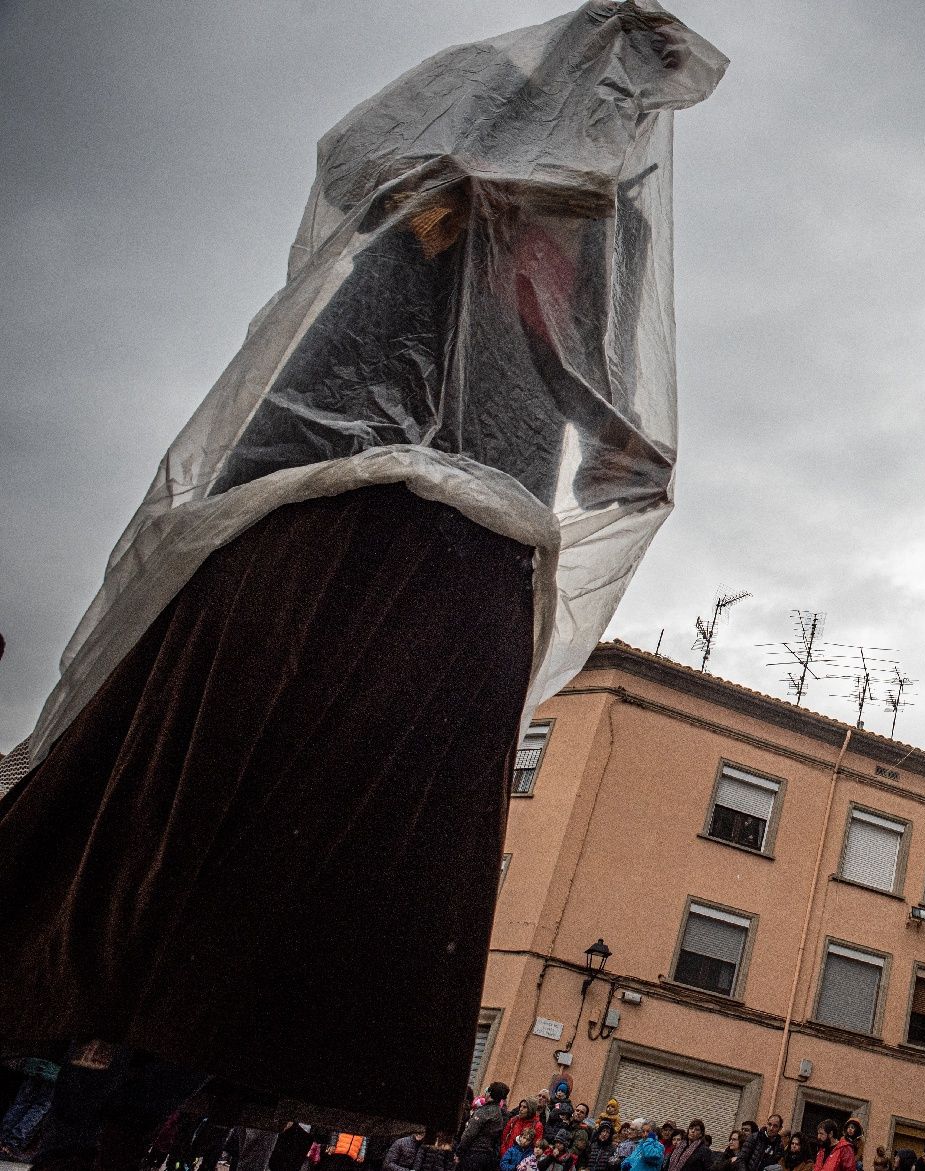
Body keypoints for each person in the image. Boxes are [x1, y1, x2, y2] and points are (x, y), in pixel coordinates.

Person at [0, 4, 727, 1149]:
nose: (630, 113)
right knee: (199, 825)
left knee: (337, 868)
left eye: (643, 99)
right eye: (618, 82)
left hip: (471, 547)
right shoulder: (460, 153)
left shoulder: (615, 225)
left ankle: (158, 1102)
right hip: (322, 517)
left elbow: (572, 353)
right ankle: (100, 1099)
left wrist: (613, 434)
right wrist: (482, 183)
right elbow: (362, 188)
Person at [460, 1085, 513, 1171]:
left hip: (473, 1152)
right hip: (486, 1154)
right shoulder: (499, 1114)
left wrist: (459, 1151)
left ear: (489, 1093)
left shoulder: (484, 1111)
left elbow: (470, 1133)